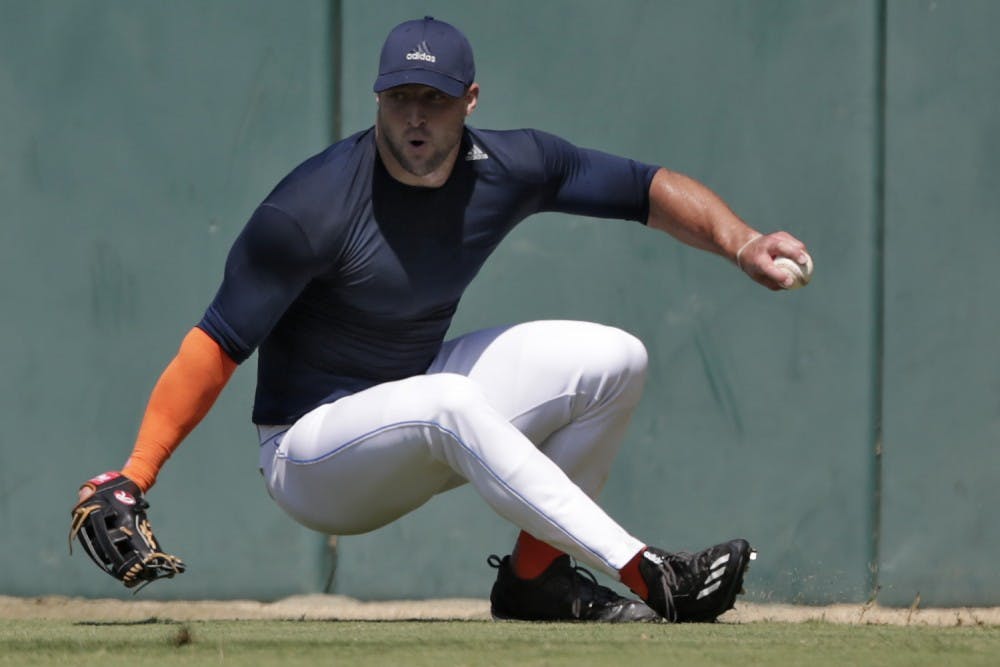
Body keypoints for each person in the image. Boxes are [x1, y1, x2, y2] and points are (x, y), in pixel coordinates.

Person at [74, 16, 809, 622]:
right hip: (312, 455)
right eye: (400, 97)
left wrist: (742, 242)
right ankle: (648, 573)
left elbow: (646, 187)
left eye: (434, 96)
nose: (416, 115)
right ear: (377, 98)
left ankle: (536, 583)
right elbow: (216, 344)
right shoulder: (310, 209)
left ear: (471, 100)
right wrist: (134, 475)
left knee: (616, 360)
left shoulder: (508, 167)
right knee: (447, 402)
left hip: (413, 391)